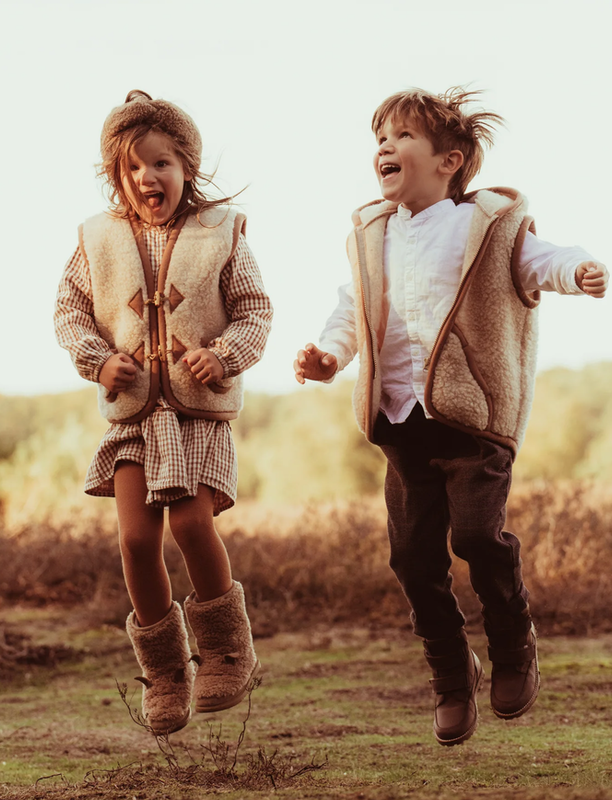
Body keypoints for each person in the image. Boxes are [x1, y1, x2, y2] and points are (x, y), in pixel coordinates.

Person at [294, 87, 608, 747]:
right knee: (411, 559)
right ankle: (449, 673)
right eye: (379, 138)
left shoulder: (483, 227)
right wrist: (329, 355)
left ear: (450, 161)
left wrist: (576, 270)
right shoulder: (371, 236)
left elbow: (536, 260)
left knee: (475, 538)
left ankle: (513, 643)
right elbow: (354, 310)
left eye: (403, 137)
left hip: (471, 424)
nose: (385, 147)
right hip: (402, 424)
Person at [54, 90, 272, 735]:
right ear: (117, 176)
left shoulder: (220, 233)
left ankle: (229, 653)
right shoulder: (97, 240)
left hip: (196, 416)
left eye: (162, 163)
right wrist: (97, 360)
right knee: (135, 539)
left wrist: (226, 354)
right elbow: (68, 310)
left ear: (187, 166)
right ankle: (167, 671)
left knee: (192, 527)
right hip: (133, 418)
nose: (148, 177)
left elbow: (256, 309)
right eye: (133, 168)